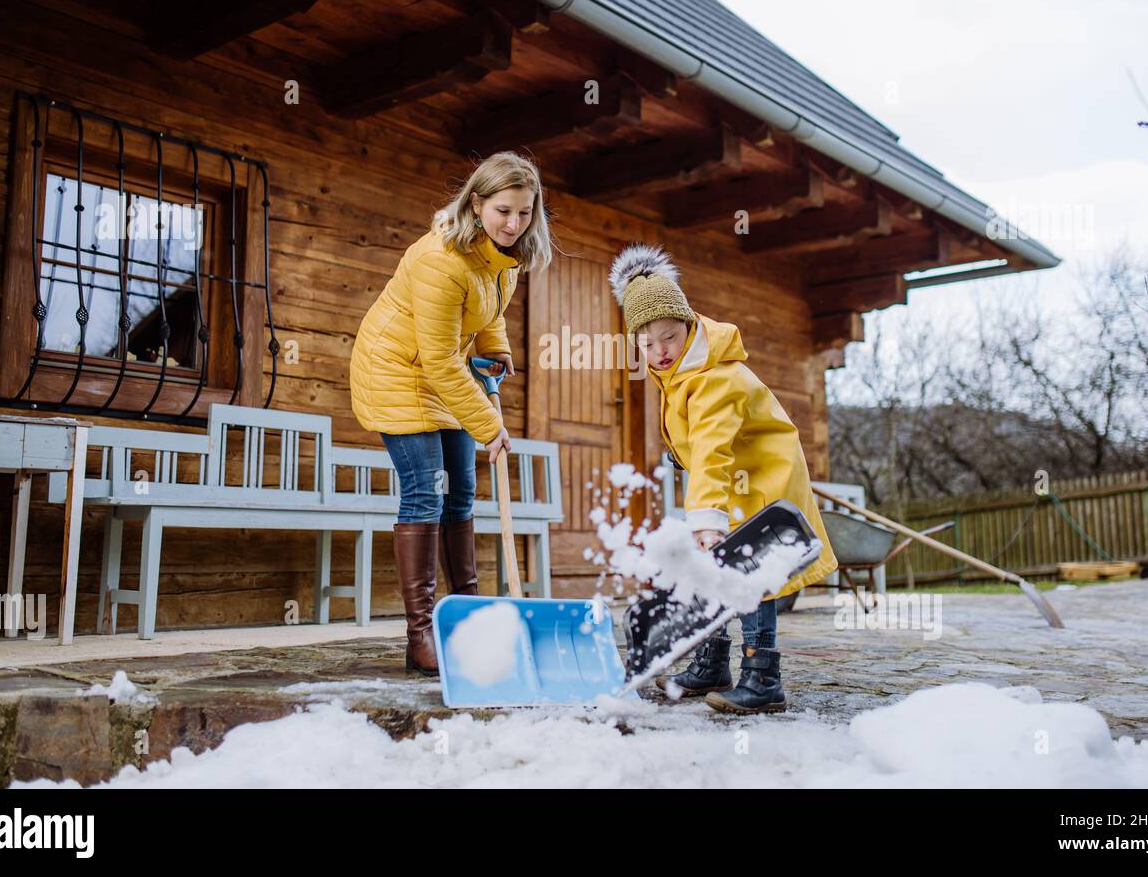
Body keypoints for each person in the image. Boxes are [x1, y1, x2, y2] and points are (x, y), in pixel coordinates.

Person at [608, 244, 838, 713]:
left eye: (669, 338)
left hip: (759, 481)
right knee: (709, 565)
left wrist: (706, 517)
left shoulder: (714, 377)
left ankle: (763, 677)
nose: (659, 352)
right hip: (727, 480)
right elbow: (698, 440)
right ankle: (712, 664)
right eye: (646, 344)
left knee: (751, 573)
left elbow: (713, 450)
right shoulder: (679, 373)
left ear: (689, 324)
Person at [350, 152, 552, 676]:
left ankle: (464, 619)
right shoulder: (441, 259)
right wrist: (490, 425)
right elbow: (437, 358)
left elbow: (488, 312)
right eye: (504, 210)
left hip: (448, 374)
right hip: (397, 371)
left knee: (460, 490)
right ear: (476, 202)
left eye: (525, 213)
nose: (514, 223)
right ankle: (421, 635)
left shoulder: (500, 255)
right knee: (425, 489)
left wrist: (498, 349)